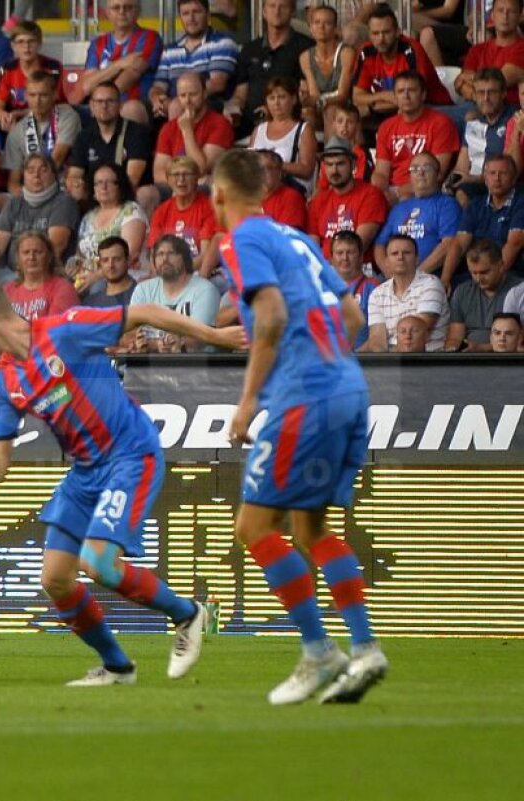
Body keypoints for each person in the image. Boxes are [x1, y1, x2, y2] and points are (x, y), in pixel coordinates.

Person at [0, 281, 240, 685]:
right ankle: (118, 667)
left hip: (130, 455)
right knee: (54, 578)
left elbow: (145, 314)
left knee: (98, 562)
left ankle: (188, 613)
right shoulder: (2, 381)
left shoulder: (64, 331)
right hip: (85, 472)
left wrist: (214, 335)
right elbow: (0, 447)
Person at [213, 148, 387, 705]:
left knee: (254, 528)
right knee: (311, 530)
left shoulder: (241, 240)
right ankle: (364, 650)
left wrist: (247, 403)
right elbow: (354, 317)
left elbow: (270, 317)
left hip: (304, 397)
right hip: (349, 389)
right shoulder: (299, 238)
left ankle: (318, 651)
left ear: (219, 196)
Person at [226, 0, 313, 140]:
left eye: (283, 6)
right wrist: (233, 108)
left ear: (293, 12)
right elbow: (240, 94)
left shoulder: (306, 47)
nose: (277, 11)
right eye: (272, 6)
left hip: (288, 123)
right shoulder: (249, 49)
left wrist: (273, 110)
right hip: (249, 123)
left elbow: (306, 93)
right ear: (264, 12)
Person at [353, 4, 451, 125]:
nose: (381, 39)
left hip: (432, 108)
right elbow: (357, 97)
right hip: (391, 109)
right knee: (353, 114)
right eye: (375, 33)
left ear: (397, 32)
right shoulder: (366, 52)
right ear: (369, 34)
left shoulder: (411, 50)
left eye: (386, 32)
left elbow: (413, 98)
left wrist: (372, 106)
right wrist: (384, 96)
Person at [0, 154, 79, 278]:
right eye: (30, 170)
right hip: (9, 271)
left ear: (54, 174)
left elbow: (56, 245)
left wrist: (26, 279)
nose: (36, 175)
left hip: (42, 273)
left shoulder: (64, 202)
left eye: (43, 170)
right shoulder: (14, 202)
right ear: (24, 175)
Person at [371, 70, 461, 202]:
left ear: (423, 95)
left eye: (412, 90)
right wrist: (381, 193)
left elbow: (437, 174)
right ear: (395, 97)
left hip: (425, 191)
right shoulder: (386, 126)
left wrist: (400, 193)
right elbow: (381, 173)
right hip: (392, 192)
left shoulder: (441, 123)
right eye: (401, 91)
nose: (406, 96)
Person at [373, 152, 461, 276]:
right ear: (410, 176)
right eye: (415, 169)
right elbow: (380, 245)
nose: (420, 172)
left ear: (438, 175)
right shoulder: (398, 208)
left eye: (427, 168)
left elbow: (448, 244)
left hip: (429, 275)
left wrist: (417, 275)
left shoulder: (447, 205)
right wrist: (388, 270)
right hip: (395, 276)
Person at [149, 0, 239, 121]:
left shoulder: (222, 43)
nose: (191, 18)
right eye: (185, 13)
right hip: (173, 103)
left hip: (209, 104)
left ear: (207, 15)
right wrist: (157, 98)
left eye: (196, 12)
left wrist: (180, 99)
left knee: (177, 106)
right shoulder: (169, 50)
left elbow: (217, 84)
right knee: (133, 109)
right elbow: (158, 86)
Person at [443, 155, 524, 288]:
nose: (497, 178)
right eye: (492, 173)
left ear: (514, 179)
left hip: (507, 273)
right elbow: (459, 244)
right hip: (476, 273)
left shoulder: (520, 203)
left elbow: (514, 243)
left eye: (503, 173)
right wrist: (445, 279)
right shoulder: (475, 205)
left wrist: (492, 278)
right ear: (485, 179)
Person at [129, 235, 220, 352]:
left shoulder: (205, 290)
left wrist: (163, 344)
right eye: (160, 254)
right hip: (151, 366)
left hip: (197, 365)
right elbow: (127, 334)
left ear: (185, 258)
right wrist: (151, 344)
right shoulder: (143, 290)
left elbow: (201, 337)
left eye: (171, 253)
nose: (165, 259)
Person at [77, 0, 163, 124]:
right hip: (101, 103)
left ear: (138, 11)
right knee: (71, 113)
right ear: (107, 13)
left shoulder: (150, 37)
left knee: (130, 109)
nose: (122, 12)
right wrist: (120, 64)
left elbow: (128, 77)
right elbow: (87, 86)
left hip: (137, 104)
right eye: (116, 8)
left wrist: (102, 100)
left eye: (128, 7)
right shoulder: (98, 43)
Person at [66, 83, 150, 206]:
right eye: (99, 101)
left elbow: (132, 178)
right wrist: (76, 185)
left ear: (120, 105)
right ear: (91, 106)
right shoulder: (84, 136)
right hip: (93, 195)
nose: (104, 106)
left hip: (125, 198)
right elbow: (74, 174)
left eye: (110, 101)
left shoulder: (135, 132)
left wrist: (104, 194)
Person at [308, 136, 388, 264]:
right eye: (329, 164)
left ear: (353, 165)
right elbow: (312, 247)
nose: (334, 170)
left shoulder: (371, 195)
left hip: (359, 270)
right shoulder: (318, 201)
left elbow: (358, 246)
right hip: (325, 271)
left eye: (340, 164)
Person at [364, 234, 450, 352]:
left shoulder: (431, 284)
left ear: (417, 259)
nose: (400, 257)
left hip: (429, 361)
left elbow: (417, 334)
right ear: (387, 261)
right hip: (393, 363)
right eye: (394, 253)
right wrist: (386, 364)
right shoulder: (377, 294)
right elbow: (377, 339)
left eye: (407, 253)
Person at [1, 70, 80, 193]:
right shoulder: (17, 132)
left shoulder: (67, 115)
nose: (37, 101)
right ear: (26, 96)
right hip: (31, 193)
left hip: (63, 187)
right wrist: (28, 198)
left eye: (43, 95)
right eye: (32, 95)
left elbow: (57, 160)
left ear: (55, 94)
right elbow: (13, 183)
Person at [154, 72, 233, 190]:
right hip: (175, 187)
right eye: (182, 95)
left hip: (203, 190)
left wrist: (187, 131)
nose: (188, 100)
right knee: (146, 193)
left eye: (193, 94)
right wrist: (180, 184)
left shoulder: (220, 124)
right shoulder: (169, 128)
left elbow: (201, 169)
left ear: (205, 94)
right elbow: (158, 174)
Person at [72, 162, 147, 286]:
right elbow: (80, 256)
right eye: (98, 183)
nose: (103, 187)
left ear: (120, 186)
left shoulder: (131, 211)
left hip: (123, 277)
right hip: (90, 277)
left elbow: (130, 254)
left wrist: (96, 276)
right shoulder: (88, 217)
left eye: (109, 182)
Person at [449, 68, 516, 203]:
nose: (485, 98)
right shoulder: (473, 121)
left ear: (503, 93)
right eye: (480, 93)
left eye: (491, 92)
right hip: (476, 185)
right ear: (474, 95)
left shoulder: (514, 119)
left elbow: (511, 170)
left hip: (503, 184)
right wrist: (452, 181)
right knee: (456, 194)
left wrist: (472, 179)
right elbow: (462, 164)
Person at [148, 157, 220, 280]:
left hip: (197, 271)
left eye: (187, 174)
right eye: (175, 175)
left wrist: (177, 272)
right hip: (167, 272)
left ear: (197, 178)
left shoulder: (208, 208)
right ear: (168, 180)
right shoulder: (161, 211)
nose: (181, 180)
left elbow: (205, 255)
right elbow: (155, 254)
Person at [445, 239, 522, 351]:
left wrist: (482, 348)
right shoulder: (462, 292)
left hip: (508, 361)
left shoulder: (520, 292)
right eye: (473, 273)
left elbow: (520, 343)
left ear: (501, 266)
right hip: (467, 361)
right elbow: (455, 337)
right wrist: (454, 349)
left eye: (484, 272)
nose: (478, 279)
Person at [0, 21, 66, 132]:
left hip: (49, 119)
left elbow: (50, 106)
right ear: (13, 46)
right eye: (21, 42)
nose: (26, 47)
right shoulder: (8, 69)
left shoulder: (52, 67)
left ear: (39, 43)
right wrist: (5, 117)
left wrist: (18, 114)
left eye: (31, 41)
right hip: (15, 122)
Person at [249, 77, 317, 193]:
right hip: (259, 190)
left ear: (294, 99)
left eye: (282, 97)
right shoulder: (259, 130)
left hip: (290, 191)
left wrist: (274, 164)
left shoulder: (304, 129)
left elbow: (307, 170)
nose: (276, 103)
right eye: (271, 98)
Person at [3, 230, 80, 321]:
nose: (31, 257)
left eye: (38, 252)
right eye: (26, 252)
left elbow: (54, 328)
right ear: (18, 259)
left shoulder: (62, 288)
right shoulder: (8, 290)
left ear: (49, 257)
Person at [300, 4, 356, 127]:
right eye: (317, 23)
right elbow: (314, 94)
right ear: (311, 28)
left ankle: (333, 146)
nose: (321, 27)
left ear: (335, 28)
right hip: (319, 107)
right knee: (306, 112)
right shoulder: (305, 57)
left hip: (342, 106)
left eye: (327, 23)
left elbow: (342, 95)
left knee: (331, 110)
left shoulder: (346, 53)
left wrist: (320, 101)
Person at [329, 230, 379, 350]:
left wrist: (355, 357)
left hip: (363, 361)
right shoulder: (322, 288)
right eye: (339, 253)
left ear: (361, 257)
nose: (345, 258)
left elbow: (378, 335)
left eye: (350, 252)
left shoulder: (373, 288)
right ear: (331, 258)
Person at [258, 150, 308, 231]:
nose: (261, 172)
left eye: (268, 168)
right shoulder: (246, 197)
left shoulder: (291, 197)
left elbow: (286, 238)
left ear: (280, 173)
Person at [82, 236, 137, 307]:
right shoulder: (90, 303)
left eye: (117, 259)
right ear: (99, 264)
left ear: (128, 260)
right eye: (105, 260)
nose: (111, 265)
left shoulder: (142, 296)